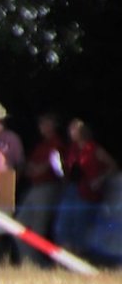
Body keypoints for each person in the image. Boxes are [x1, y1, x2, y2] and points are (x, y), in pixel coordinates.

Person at [52, 118, 118, 256]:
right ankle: (65, 257)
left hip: (87, 191)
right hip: (71, 188)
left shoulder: (93, 148)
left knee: (80, 226)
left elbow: (113, 166)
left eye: (74, 129)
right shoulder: (72, 149)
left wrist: (100, 179)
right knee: (62, 224)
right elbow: (68, 169)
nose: (71, 132)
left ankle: (79, 257)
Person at [17, 112, 68, 266]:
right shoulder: (40, 145)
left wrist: (38, 169)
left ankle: (37, 263)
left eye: (46, 123)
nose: (42, 127)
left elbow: (53, 168)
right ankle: (28, 261)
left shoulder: (57, 144)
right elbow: (29, 167)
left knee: (38, 229)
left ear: (54, 125)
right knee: (20, 223)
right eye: (41, 124)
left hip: (48, 188)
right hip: (34, 187)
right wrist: (34, 169)